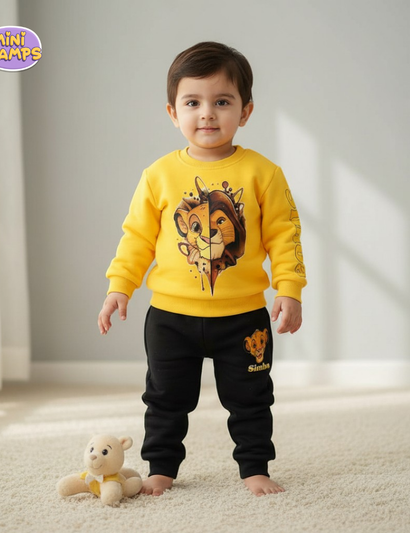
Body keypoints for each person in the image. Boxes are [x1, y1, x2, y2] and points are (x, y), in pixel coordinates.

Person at [98, 41, 306, 497]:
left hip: (244, 318)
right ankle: (161, 469)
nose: (207, 113)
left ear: (245, 111)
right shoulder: (158, 175)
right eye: (193, 102)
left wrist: (289, 289)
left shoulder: (263, 173)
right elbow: (137, 237)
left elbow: (284, 236)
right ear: (173, 113)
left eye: (222, 102)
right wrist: (120, 286)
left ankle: (255, 469)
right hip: (171, 318)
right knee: (165, 398)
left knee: (251, 398)